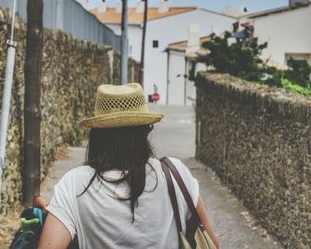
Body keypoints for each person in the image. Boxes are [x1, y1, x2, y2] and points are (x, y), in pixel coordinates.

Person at [38, 83, 219, 249]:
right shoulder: (174, 174)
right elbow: (212, 245)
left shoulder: (74, 185)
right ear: (145, 130)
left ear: (97, 135)